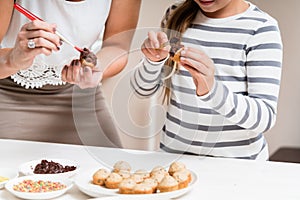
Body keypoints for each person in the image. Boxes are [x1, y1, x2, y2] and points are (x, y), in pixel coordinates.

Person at [131, 0, 283, 160]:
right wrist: (152, 61)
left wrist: (212, 91)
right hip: (174, 160)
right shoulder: (175, 13)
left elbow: (265, 118)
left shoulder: (260, 29)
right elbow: (142, 89)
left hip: (238, 165)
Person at [0, 0, 141, 147]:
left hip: (79, 97)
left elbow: (117, 46)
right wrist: (12, 60)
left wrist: (96, 67)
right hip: (8, 91)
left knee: (112, 166)